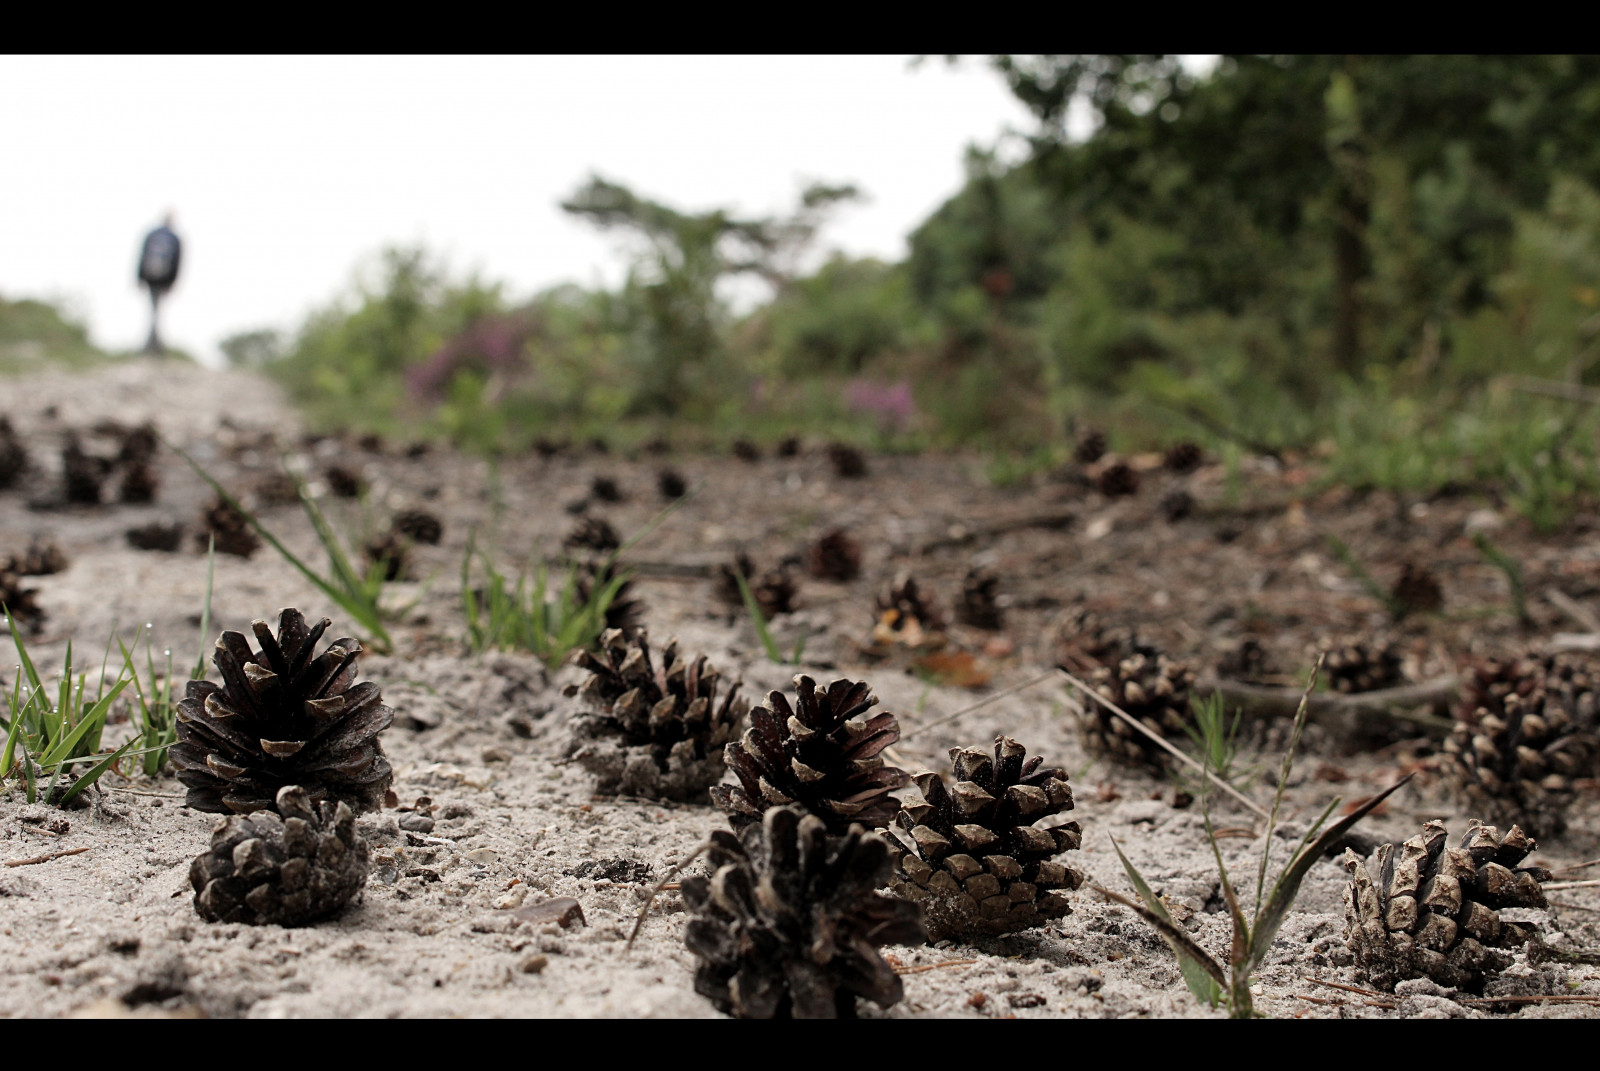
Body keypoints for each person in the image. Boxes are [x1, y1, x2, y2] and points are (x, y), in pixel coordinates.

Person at [137, 213, 181, 355]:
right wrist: (172, 282)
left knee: (154, 310)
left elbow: (142, 255)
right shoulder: (174, 238)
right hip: (164, 279)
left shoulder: (152, 234)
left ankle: (152, 345)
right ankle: (155, 346)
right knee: (156, 311)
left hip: (150, 276)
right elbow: (177, 262)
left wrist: (140, 277)